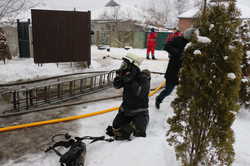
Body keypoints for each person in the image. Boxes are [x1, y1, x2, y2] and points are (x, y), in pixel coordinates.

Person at [106, 53, 151, 140]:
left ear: (132, 66)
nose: (123, 66)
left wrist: (130, 81)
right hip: (126, 109)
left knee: (139, 132)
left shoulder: (143, 78)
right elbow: (117, 86)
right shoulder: (126, 75)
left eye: (125, 65)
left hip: (139, 111)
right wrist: (118, 77)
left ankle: (143, 118)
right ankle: (130, 122)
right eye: (123, 64)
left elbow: (139, 93)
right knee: (115, 126)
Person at [155, 28, 196, 109]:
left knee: (187, 90)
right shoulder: (178, 39)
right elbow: (166, 46)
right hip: (173, 69)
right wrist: (177, 53)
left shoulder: (192, 43)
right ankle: (159, 99)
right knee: (168, 90)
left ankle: (184, 106)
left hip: (185, 71)